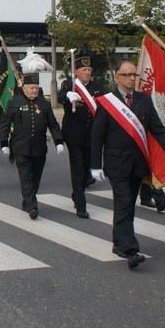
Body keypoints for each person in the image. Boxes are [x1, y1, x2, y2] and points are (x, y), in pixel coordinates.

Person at [90, 60, 165, 270]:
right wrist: (95, 164)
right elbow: (97, 136)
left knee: (128, 205)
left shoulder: (144, 100)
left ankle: (118, 242)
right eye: (127, 74)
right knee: (123, 202)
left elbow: (157, 129)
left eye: (134, 75)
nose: (131, 78)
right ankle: (130, 249)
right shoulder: (107, 102)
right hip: (117, 163)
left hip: (138, 163)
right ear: (117, 77)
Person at [0, 54, 64, 219]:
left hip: (39, 147)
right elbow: (5, 123)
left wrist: (58, 141)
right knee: (26, 176)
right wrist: (4, 143)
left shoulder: (44, 103)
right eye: (31, 88)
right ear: (24, 88)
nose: (34, 90)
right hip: (21, 147)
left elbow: (53, 124)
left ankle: (27, 200)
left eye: (36, 88)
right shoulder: (14, 103)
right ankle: (32, 206)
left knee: (35, 178)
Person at [57, 46, 104, 218]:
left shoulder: (98, 87)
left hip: (92, 134)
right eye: (84, 69)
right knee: (77, 168)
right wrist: (67, 96)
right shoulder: (70, 85)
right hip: (74, 135)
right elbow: (60, 96)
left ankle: (78, 192)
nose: (87, 72)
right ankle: (81, 205)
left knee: (86, 171)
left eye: (89, 69)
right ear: (76, 71)